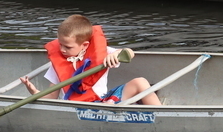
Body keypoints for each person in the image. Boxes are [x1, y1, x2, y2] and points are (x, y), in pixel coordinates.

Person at [21, 14, 162, 106]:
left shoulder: (100, 53)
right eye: (60, 44)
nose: (62, 50)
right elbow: (51, 97)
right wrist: (35, 92)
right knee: (108, 106)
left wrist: (116, 54)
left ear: (85, 45)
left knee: (141, 82)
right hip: (77, 106)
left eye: (68, 47)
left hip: (105, 100)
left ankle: (159, 115)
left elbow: (130, 53)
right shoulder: (59, 63)